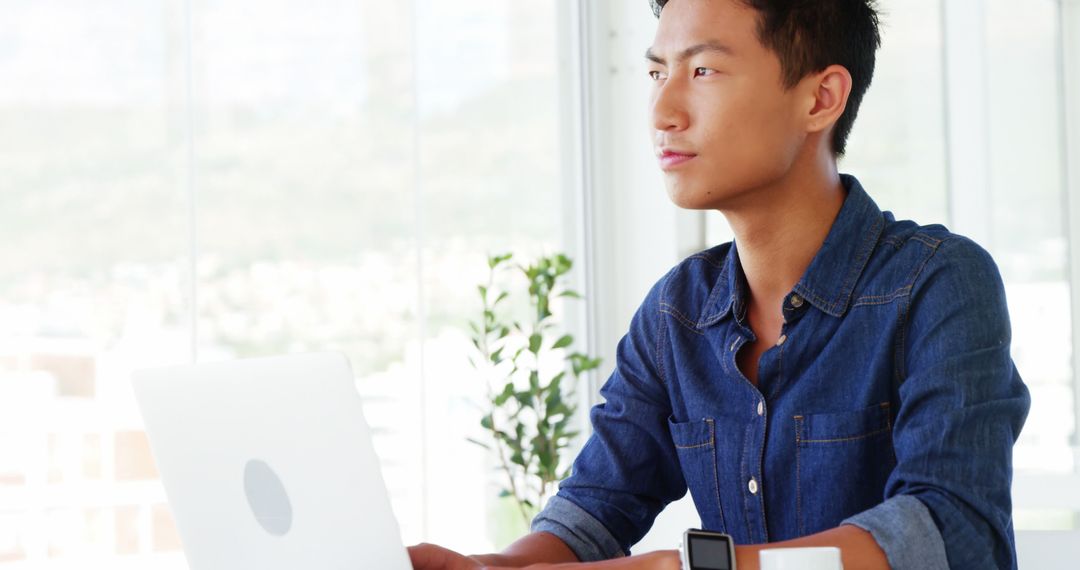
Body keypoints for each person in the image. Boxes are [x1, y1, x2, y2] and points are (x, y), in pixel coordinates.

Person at [409, 0, 1031, 568]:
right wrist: (489, 568)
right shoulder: (675, 313)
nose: (663, 112)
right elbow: (592, 513)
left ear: (820, 99)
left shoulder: (938, 282)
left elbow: (952, 529)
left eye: (702, 71)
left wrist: (707, 569)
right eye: (657, 74)